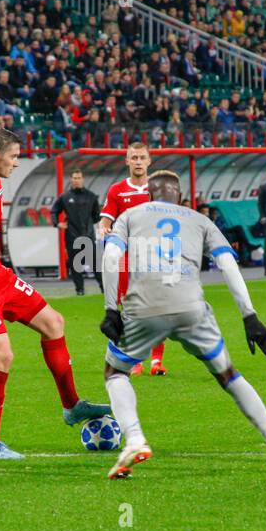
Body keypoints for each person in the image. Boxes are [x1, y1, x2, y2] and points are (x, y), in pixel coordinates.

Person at [99, 169, 266, 478]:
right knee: (228, 375)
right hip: (191, 307)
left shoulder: (131, 216)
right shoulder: (199, 219)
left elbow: (111, 256)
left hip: (144, 306)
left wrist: (111, 308)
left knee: (115, 372)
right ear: (179, 197)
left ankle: (135, 438)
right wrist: (249, 316)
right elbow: (228, 264)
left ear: (149, 195)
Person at [0, 127, 111, 459]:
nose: (16, 163)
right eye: (13, 156)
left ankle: (72, 406)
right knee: (3, 356)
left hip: (0, 278)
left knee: (54, 323)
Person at [99, 140, 168, 376]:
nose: (138, 162)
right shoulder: (117, 190)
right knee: (130, 308)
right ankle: (136, 359)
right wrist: (104, 229)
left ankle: (156, 361)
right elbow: (106, 221)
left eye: (142, 157)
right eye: (134, 158)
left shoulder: (159, 188)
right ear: (127, 161)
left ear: (149, 161)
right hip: (127, 258)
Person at [51, 168, 102, 295]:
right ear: (71, 180)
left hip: (88, 236)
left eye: (79, 178)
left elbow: (97, 216)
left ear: (82, 179)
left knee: (96, 264)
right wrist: (57, 223)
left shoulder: (91, 196)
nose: (77, 180)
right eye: (74, 178)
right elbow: (54, 211)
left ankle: (103, 288)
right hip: (72, 237)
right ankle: (80, 290)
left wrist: (88, 226)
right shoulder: (65, 197)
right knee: (75, 265)